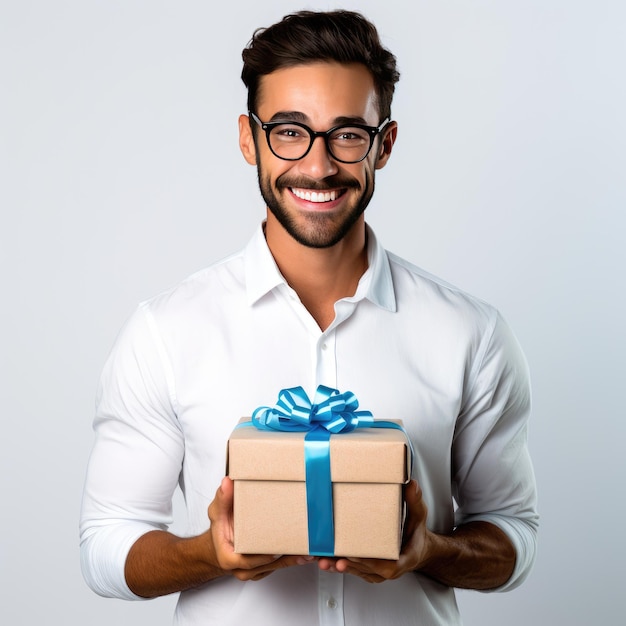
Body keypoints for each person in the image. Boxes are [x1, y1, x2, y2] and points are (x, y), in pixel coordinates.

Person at [80, 9, 538, 626]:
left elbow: (514, 538)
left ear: (386, 143)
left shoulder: (471, 334)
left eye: (348, 133)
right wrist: (209, 555)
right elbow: (106, 547)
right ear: (249, 138)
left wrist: (432, 550)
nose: (319, 166)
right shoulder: (166, 332)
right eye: (290, 132)